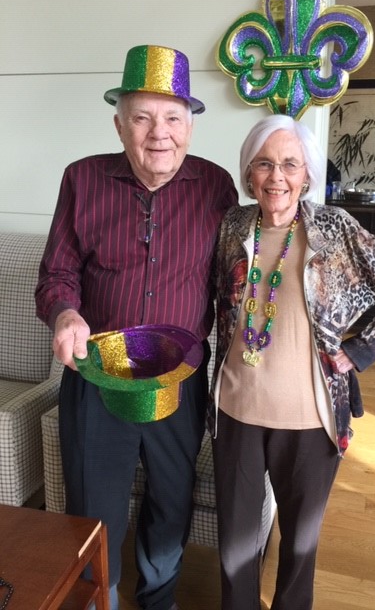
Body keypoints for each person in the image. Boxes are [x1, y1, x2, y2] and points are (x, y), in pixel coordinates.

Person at [35, 44, 238, 610]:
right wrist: (65, 312)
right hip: (98, 379)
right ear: (119, 124)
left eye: (173, 117)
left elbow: (233, 283)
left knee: (171, 504)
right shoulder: (82, 179)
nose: (159, 133)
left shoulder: (218, 188)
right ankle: (98, 601)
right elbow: (57, 272)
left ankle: (159, 603)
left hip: (178, 381)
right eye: (143, 117)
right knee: (92, 510)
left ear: (190, 127)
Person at [209, 114, 375, 610]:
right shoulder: (232, 226)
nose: (277, 177)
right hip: (236, 411)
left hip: (310, 420)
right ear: (249, 173)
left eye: (291, 164)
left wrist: (357, 351)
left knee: (299, 552)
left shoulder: (333, 228)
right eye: (265, 164)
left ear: (307, 174)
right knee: (234, 554)